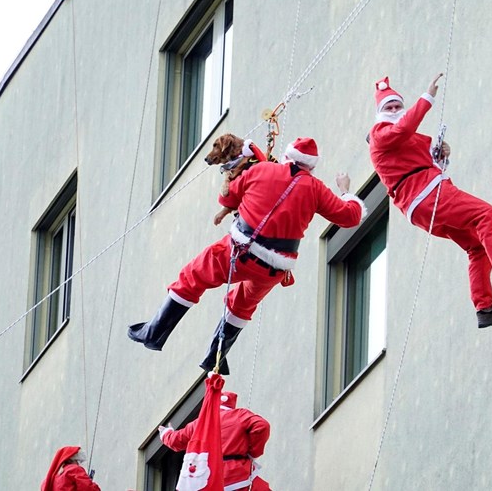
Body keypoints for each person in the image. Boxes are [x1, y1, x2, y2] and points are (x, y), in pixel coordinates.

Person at [128, 137, 366, 372]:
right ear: (311, 166)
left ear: (286, 156)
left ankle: (155, 333)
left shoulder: (262, 170)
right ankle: (216, 356)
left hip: (240, 250)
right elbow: (351, 217)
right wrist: (345, 191)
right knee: (241, 305)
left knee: (193, 277)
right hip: (274, 268)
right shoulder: (316, 189)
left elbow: (227, 197)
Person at [368, 75, 492, 328]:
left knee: (477, 247)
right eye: (389, 107)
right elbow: (404, 129)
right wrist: (427, 97)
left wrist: (440, 155)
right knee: (486, 215)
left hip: (420, 205)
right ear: (380, 113)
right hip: (427, 195)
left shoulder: (403, 139)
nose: (395, 110)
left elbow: (422, 156)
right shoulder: (379, 134)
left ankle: (484, 308)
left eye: (398, 106)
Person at [158, 390, 271, 490]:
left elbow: (176, 440)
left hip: (209, 477)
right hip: (237, 474)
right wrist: (253, 451)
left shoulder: (199, 423)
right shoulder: (239, 415)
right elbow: (262, 426)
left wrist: (166, 433)